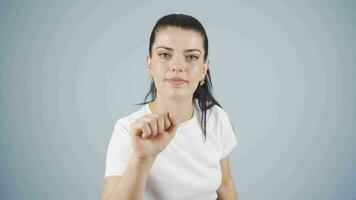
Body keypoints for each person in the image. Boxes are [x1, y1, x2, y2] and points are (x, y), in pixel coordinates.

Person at [100, 13, 239, 200]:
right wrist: (142, 159)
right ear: (149, 64)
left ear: (204, 68)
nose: (177, 65)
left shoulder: (217, 118)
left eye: (191, 57)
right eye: (164, 55)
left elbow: (225, 185)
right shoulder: (128, 130)